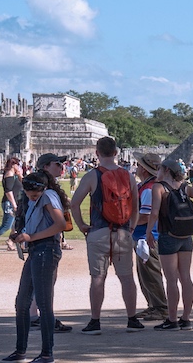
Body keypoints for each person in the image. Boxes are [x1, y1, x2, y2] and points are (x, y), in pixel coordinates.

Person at [70, 137, 143, 335]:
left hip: (99, 231)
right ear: (116, 153)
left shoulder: (92, 175)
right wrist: (131, 227)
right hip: (122, 231)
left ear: (97, 153)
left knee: (98, 278)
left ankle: (95, 321)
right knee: (127, 278)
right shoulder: (128, 175)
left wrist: (82, 225)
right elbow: (135, 206)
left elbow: (74, 203)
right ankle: (132, 319)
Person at [1, 172, 67, 363]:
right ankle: (20, 350)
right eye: (29, 194)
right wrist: (21, 235)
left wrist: (31, 237)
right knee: (22, 303)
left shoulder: (47, 196)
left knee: (44, 304)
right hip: (36, 251)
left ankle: (47, 353)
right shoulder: (35, 197)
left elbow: (60, 225)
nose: (32, 197)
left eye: (34, 195)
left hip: (46, 250)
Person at [147, 158, 193, 330]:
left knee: (171, 279)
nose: (158, 171)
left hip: (168, 234)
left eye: (160, 168)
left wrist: (148, 232)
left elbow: (154, 213)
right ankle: (186, 318)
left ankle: (172, 319)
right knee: (186, 277)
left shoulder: (159, 187)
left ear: (167, 170)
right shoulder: (184, 187)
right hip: (186, 235)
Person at [132, 152, 168, 322]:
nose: (136, 167)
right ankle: (153, 305)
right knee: (144, 273)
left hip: (147, 236)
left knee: (151, 273)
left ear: (144, 169)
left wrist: (127, 222)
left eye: (139, 165)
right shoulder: (147, 185)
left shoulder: (148, 188)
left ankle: (160, 307)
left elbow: (146, 216)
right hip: (143, 236)